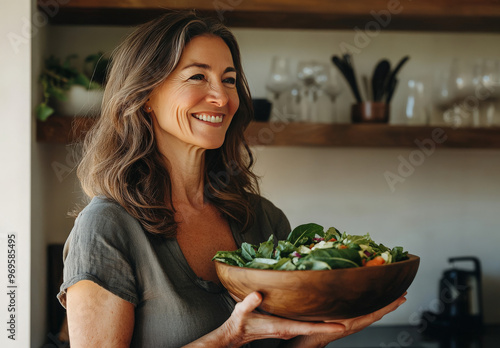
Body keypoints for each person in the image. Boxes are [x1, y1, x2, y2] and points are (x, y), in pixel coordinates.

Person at [57, 10, 406, 348]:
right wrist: (230, 337)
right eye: (197, 77)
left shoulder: (263, 219)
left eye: (229, 79)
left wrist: (317, 336)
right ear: (145, 95)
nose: (222, 97)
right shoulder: (106, 228)